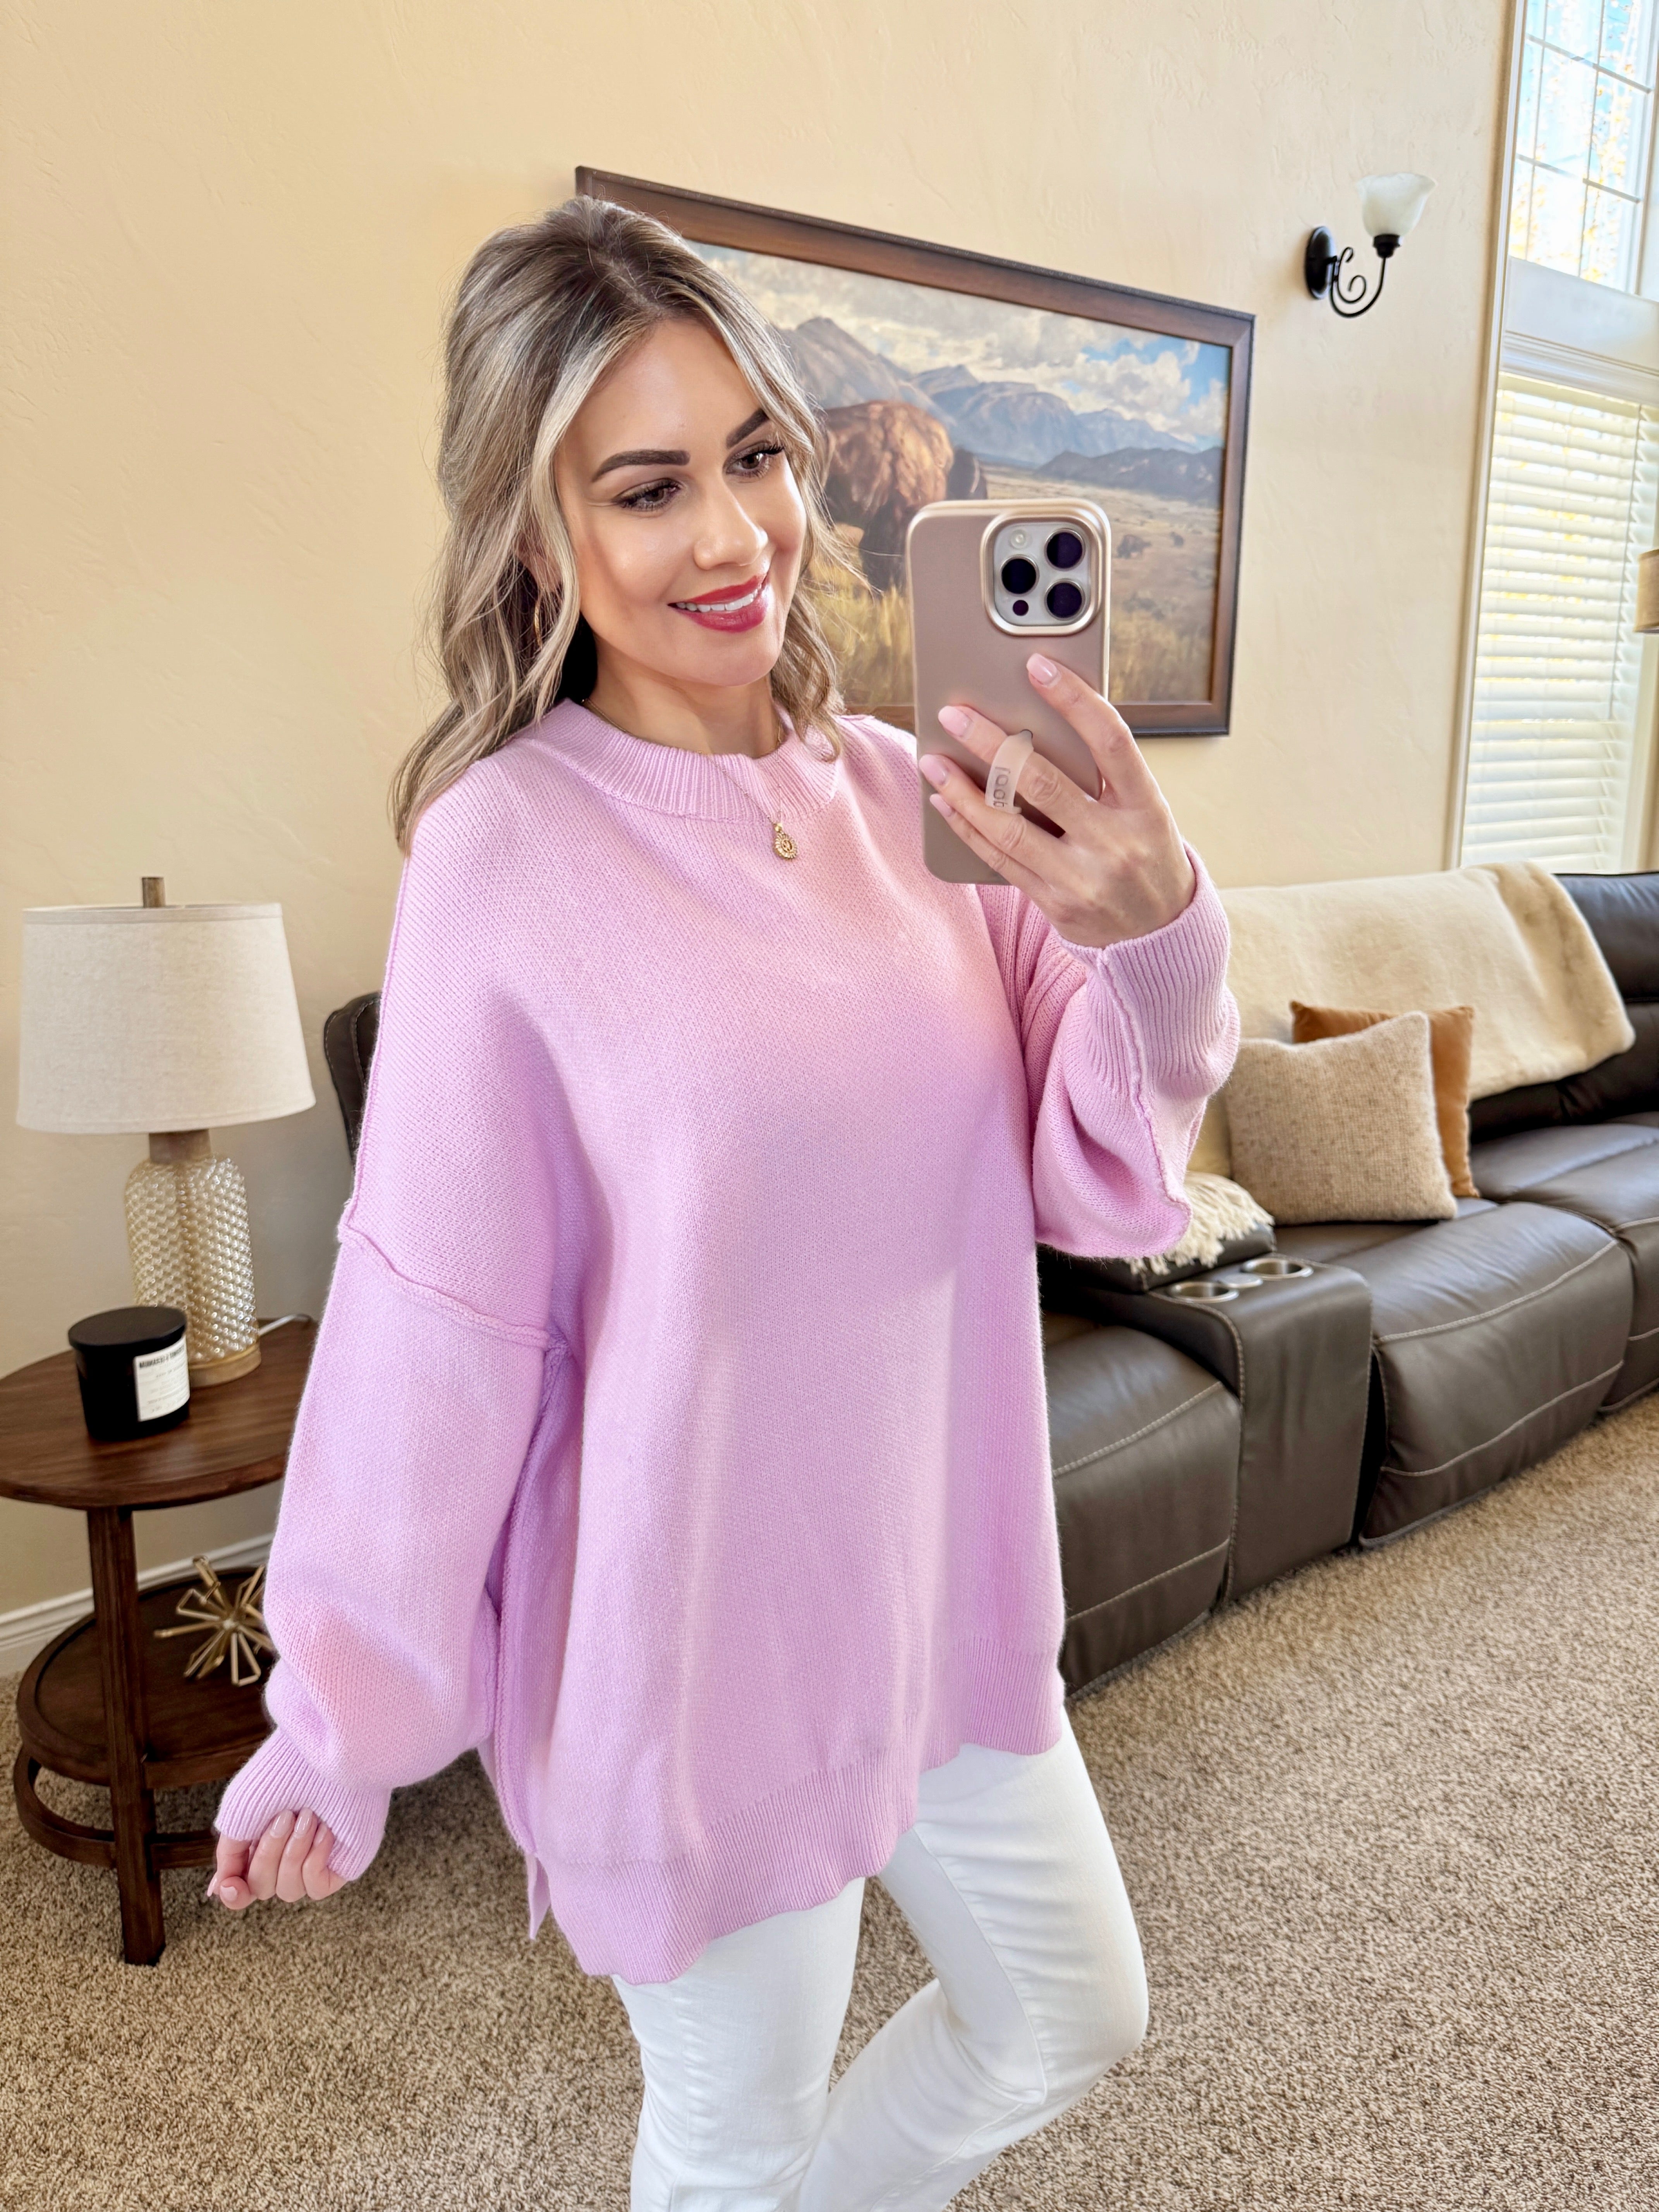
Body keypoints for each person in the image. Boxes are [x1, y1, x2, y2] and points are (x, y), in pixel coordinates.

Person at [210, 195, 1239, 2211]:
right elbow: (437, 1329)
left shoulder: (914, 794)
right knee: (734, 2152)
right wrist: (334, 1720)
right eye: (648, 485)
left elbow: (1105, 1166)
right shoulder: (505, 857)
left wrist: (1153, 925)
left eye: (757, 454)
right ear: (537, 536)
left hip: (939, 1594)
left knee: (1070, 2011)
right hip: (692, 1663)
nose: (732, 534)